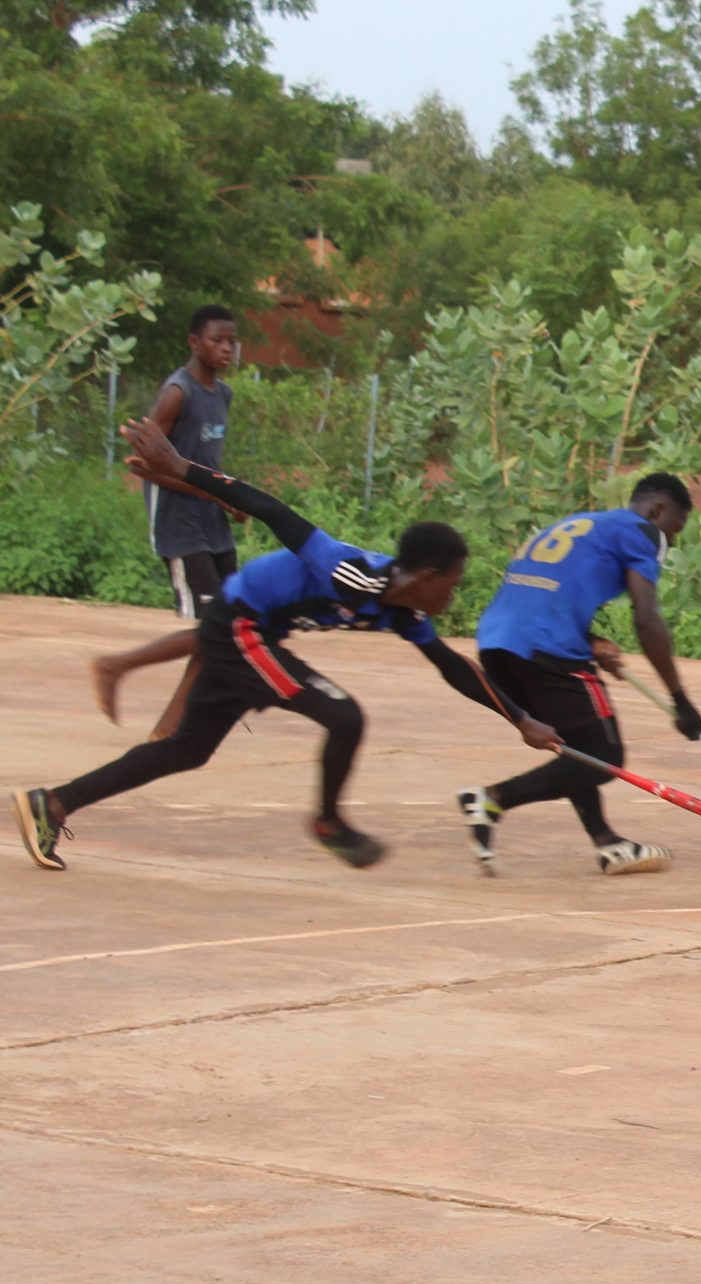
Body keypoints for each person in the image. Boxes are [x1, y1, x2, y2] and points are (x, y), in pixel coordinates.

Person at [11, 420, 559, 873]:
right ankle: (328, 822)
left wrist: (519, 720)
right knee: (344, 716)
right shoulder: (353, 574)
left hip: (257, 635)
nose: (454, 594)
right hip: (241, 625)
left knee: (186, 749)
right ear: (427, 575)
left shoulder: (404, 608)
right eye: (454, 583)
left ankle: (54, 803)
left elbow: (451, 666)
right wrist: (183, 470)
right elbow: (274, 511)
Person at [456, 475, 701, 875]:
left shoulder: (586, 523)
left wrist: (591, 640)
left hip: (497, 641)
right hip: (546, 644)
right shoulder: (644, 532)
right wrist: (680, 699)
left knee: (579, 746)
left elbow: (547, 588)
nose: (671, 542)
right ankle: (492, 798)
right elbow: (647, 619)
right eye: (674, 529)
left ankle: (607, 843)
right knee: (604, 755)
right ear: (658, 510)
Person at [98, 305, 242, 742]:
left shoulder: (223, 394)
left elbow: (207, 462)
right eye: (217, 340)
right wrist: (213, 493)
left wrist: (229, 497)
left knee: (232, 621)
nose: (226, 348)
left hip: (213, 521)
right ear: (194, 343)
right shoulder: (176, 393)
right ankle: (121, 673)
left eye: (231, 341)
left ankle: (171, 722)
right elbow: (145, 465)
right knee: (215, 627)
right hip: (180, 524)